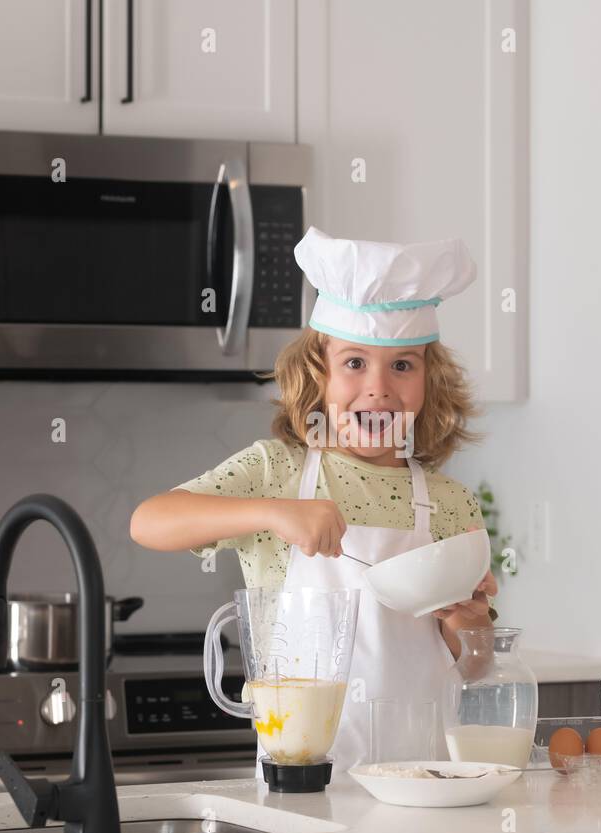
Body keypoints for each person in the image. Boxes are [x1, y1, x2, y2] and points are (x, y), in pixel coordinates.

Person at [130, 227, 497, 772]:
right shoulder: (274, 472)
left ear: (428, 381)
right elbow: (149, 522)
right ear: (316, 374)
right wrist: (273, 512)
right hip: (302, 783)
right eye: (354, 363)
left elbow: (474, 665)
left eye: (402, 364)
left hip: (424, 784)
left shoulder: (451, 502)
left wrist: (470, 623)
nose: (378, 387)